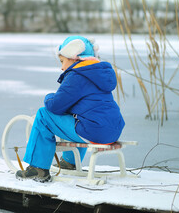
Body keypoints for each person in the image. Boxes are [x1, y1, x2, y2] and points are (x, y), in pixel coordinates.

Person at [16, 36, 125, 182]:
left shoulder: (77, 75)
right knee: (79, 118)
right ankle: (69, 162)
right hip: (112, 131)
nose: (61, 67)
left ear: (74, 58)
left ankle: (38, 168)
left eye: (62, 61)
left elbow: (56, 105)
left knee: (43, 115)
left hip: (94, 131)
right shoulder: (97, 75)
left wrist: (49, 96)